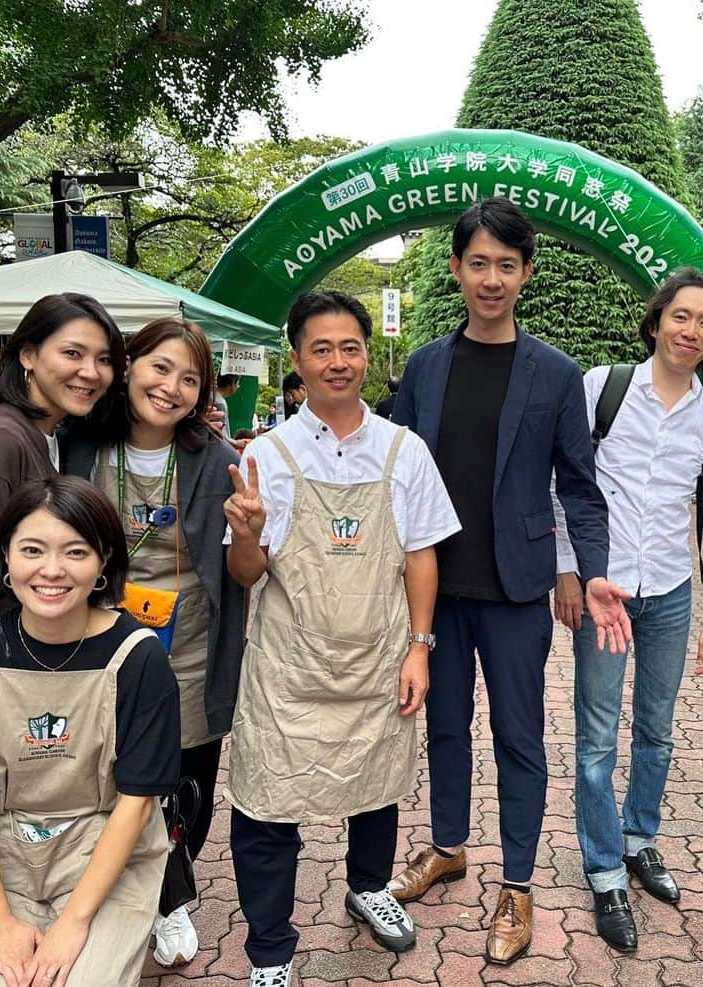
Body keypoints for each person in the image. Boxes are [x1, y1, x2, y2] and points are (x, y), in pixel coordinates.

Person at [388, 197, 631, 965]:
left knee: (519, 736)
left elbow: (579, 486)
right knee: (445, 727)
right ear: (456, 268)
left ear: (526, 273)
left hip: (518, 589)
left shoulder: (555, 373)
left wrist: (589, 572)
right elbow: (393, 468)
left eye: (507, 264)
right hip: (436, 586)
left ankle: (518, 883)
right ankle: (449, 846)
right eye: (478, 263)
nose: (491, 278)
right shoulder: (425, 365)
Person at [223, 290, 460, 987]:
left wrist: (420, 644)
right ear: (296, 360)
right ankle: (270, 951)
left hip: (378, 655)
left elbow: (421, 554)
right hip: (288, 664)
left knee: (377, 781)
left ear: (367, 354)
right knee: (267, 804)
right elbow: (246, 573)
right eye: (320, 348)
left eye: (349, 347)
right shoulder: (266, 453)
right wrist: (244, 531)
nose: (337, 361)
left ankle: (368, 885)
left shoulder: (402, 449)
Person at [0, 293, 125, 984]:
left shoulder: (38, 433)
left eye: (104, 358)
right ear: (27, 354)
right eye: (72, 352)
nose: (91, 371)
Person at [553, 267, 703, 951]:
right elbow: (561, 484)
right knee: (598, 737)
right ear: (656, 318)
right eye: (680, 316)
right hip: (605, 594)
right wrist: (567, 571)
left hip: (668, 593)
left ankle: (640, 840)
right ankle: (604, 871)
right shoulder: (601, 389)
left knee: (657, 730)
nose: (690, 331)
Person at [0, 475, 180, 986]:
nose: (52, 570)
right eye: (32, 549)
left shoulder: (139, 660)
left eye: (75, 552)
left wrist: (74, 922)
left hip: (106, 850)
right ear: (6, 557)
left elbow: (135, 804)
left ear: (103, 562)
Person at [63, 317, 245, 969]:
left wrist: (249, 534)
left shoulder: (218, 461)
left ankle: (169, 897)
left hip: (188, 643)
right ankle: (108, 889)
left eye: (189, 378)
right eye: (159, 367)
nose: (170, 387)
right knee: (100, 775)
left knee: (185, 777)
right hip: (95, 641)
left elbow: (244, 567)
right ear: (129, 364)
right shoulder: (79, 445)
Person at [214, 373, 239, 438]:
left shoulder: (213, 397)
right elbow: (221, 434)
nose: (238, 386)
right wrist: (236, 443)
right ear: (233, 384)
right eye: (238, 383)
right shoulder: (219, 403)